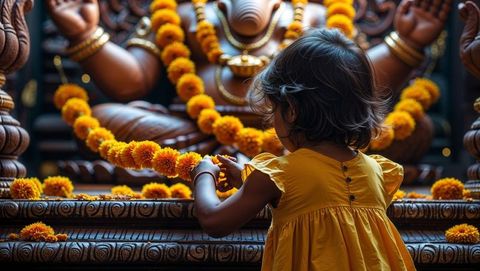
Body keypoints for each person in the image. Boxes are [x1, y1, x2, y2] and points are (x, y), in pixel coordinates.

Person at [190, 29, 415, 271]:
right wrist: (248, 178)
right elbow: (316, 195)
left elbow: (214, 221)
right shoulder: (375, 171)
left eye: (274, 110)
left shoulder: (277, 175)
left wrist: (203, 174)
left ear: (291, 110)